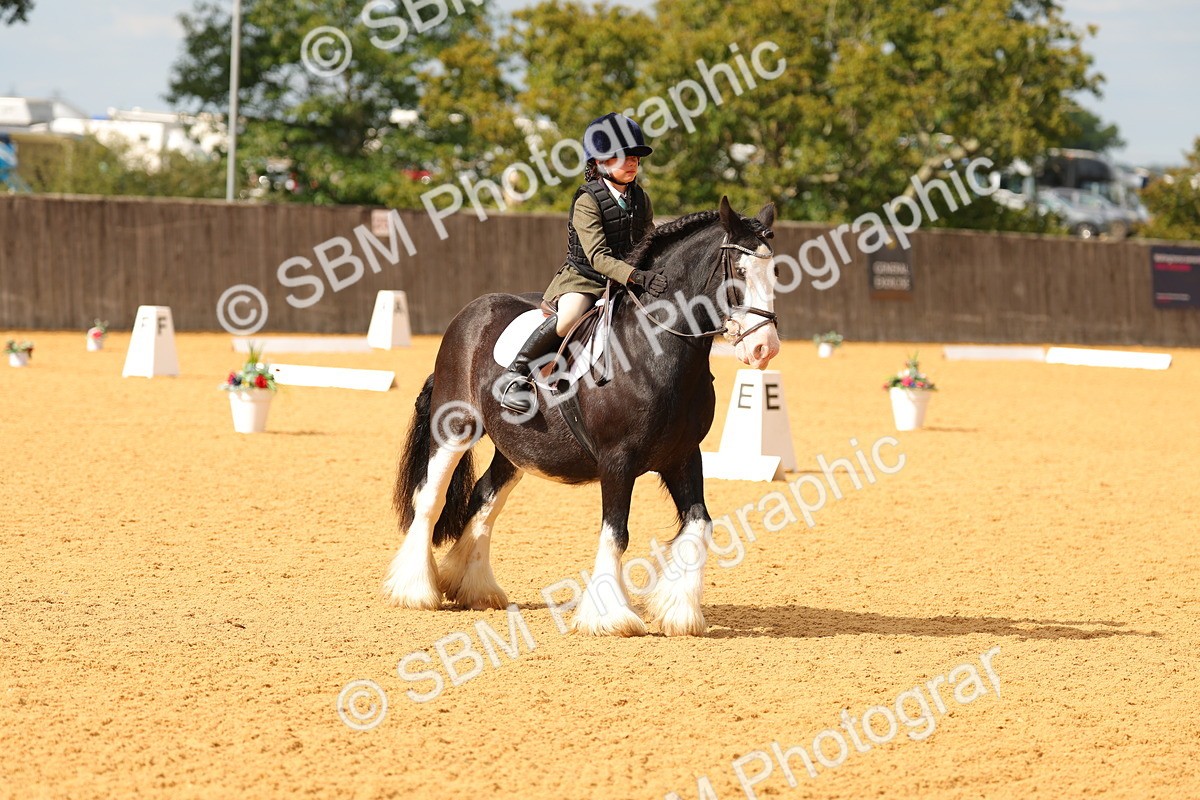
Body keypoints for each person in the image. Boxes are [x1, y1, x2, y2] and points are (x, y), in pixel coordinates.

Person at [498, 113, 668, 413]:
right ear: (600, 163)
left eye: (635, 157)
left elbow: (648, 239)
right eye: (622, 157)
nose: (631, 163)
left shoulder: (641, 198)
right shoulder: (587, 201)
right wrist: (635, 276)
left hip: (628, 278)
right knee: (568, 318)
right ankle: (516, 373)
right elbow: (598, 257)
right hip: (586, 279)